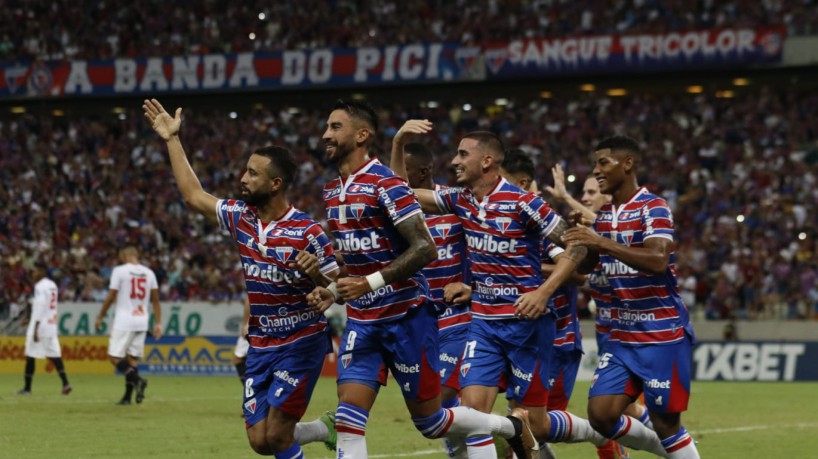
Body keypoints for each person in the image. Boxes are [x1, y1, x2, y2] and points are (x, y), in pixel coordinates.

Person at [308, 105, 537, 459]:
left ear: (361, 135)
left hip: (408, 318)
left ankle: (509, 428)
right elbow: (357, 260)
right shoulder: (330, 191)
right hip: (363, 322)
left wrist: (369, 283)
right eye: (327, 126)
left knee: (431, 422)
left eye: (335, 126)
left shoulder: (386, 183)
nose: (325, 134)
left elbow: (425, 248)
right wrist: (332, 288)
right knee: (350, 416)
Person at [143, 98, 338, 457]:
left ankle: (321, 429)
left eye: (252, 173)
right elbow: (193, 195)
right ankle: (323, 428)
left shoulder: (308, 231)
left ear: (275, 183)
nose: (243, 179)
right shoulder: (239, 216)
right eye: (246, 171)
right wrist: (172, 139)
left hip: (301, 341)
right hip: (261, 342)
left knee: (278, 436)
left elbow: (339, 289)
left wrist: (320, 280)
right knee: (260, 442)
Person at [401, 121, 608, 458]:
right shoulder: (460, 200)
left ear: (487, 161)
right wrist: (399, 142)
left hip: (527, 326)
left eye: (462, 154)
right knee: (472, 413)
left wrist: (544, 292)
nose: (454, 161)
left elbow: (579, 250)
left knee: (534, 424)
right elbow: (403, 194)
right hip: (483, 325)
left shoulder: (524, 203)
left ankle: (598, 434)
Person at [562, 135, 700, 458]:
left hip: (661, 336)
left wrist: (601, 241)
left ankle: (670, 446)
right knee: (601, 414)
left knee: (666, 423)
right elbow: (587, 268)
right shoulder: (606, 215)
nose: (596, 170)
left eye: (603, 162)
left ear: (628, 164)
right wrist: (577, 238)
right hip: (623, 338)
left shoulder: (654, 207)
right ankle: (664, 450)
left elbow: (657, 260)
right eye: (595, 163)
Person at [501, 149, 611, 459]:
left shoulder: (545, 226)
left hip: (557, 340)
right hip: (520, 338)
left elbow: (575, 272)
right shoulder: (505, 225)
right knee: (522, 424)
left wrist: (520, 268)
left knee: (536, 425)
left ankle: (602, 436)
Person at [546, 163, 647, 459]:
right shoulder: (590, 237)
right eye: (584, 192)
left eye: (593, 191)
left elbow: (598, 227)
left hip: (635, 337)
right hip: (608, 335)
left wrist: (565, 197)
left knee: (614, 410)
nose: (587, 196)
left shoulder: (615, 230)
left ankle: (676, 443)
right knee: (612, 412)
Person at [390, 133, 473, 459]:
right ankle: (495, 434)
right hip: (422, 319)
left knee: (441, 396)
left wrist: (475, 287)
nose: (395, 180)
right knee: (430, 410)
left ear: (422, 172)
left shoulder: (456, 201)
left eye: (403, 171)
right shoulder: (397, 214)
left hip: (458, 313)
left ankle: (496, 433)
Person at [95, 246, 161, 405]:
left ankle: (138, 380)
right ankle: (127, 398)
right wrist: (158, 322)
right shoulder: (149, 273)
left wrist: (101, 316)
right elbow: (156, 301)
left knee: (114, 357)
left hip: (125, 320)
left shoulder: (119, 271)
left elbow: (111, 295)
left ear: (124, 256)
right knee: (132, 359)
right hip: (142, 321)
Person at [19, 261, 72, 396]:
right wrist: (29, 318)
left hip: (40, 326)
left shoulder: (40, 286)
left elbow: (41, 306)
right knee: (55, 355)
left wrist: (35, 326)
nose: (33, 274)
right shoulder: (52, 285)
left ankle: (27, 388)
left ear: (42, 272)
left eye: (36, 271)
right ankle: (66, 383)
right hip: (51, 325)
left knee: (30, 355)